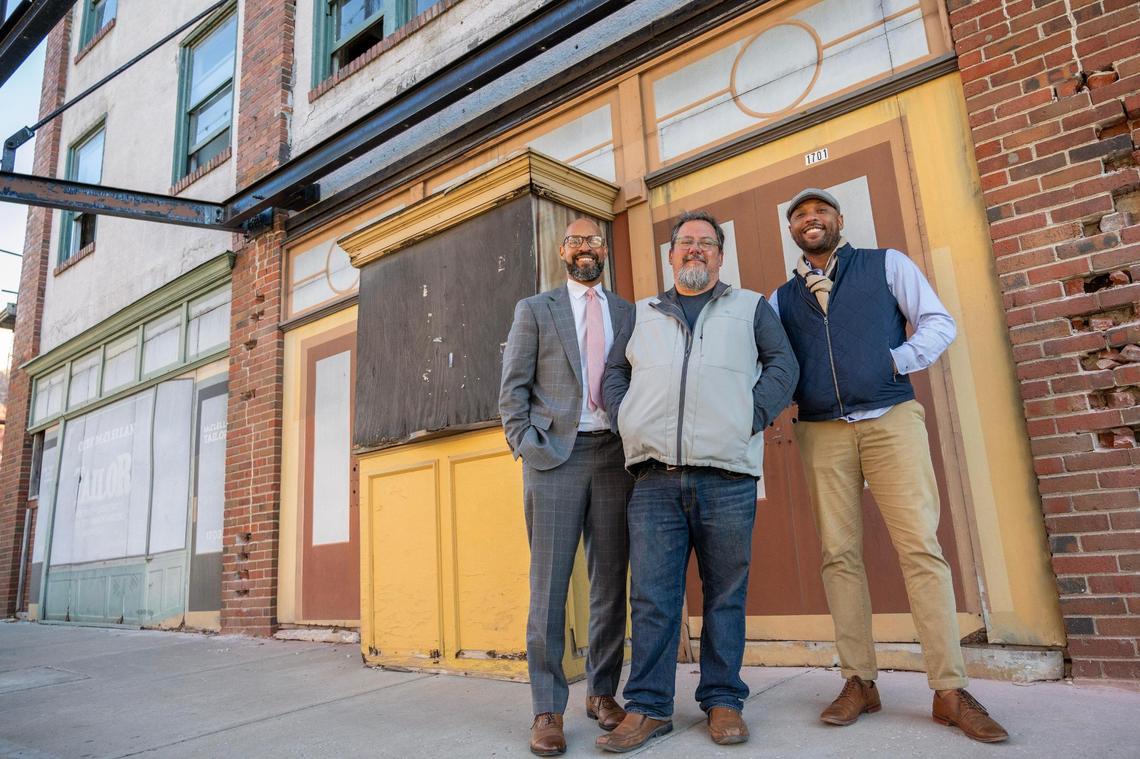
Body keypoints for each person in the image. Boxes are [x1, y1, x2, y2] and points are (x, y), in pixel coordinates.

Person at [771, 188, 1008, 743]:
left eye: (820, 211)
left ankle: (949, 689)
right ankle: (860, 680)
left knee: (920, 549)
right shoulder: (779, 298)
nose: (811, 219)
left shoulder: (886, 264)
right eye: (800, 214)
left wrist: (894, 361)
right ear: (791, 229)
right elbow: (773, 360)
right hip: (821, 432)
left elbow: (937, 323)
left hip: (891, 420)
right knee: (839, 556)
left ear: (838, 220)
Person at [597, 210, 798, 752]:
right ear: (670, 256)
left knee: (726, 594)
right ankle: (648, 708)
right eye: (684, 242)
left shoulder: (751, 308)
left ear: (720, 254)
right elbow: (615, 373)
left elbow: (784, 365)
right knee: (653, 598)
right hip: (654, 480)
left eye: (705, 243)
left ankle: (724, 701)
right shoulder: (641, 314)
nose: (694, 250)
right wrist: (627, 416)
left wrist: (749, 417)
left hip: (727, 477)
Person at [499, 218, 635, 756]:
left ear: (605, 250)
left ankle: (602, 693)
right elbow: (512, 388)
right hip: (554, 457)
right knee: (550, 586)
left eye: (594, 240)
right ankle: (547, 708)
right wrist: (527, 444)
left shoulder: (627, 312)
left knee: (609, 585)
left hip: (613, 455)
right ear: (563, 251)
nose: (586, 248)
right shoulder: (535, 309)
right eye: (576, 240)